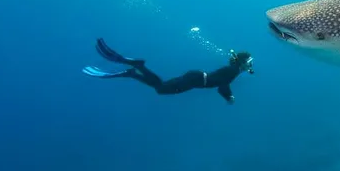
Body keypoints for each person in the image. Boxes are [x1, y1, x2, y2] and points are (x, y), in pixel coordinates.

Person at [82, 38, 254, 104]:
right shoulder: (234, 71)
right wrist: (229, 97)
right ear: (242, 62)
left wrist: (226, 94)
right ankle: (136, 70)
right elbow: (223, 86)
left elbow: (222, 84)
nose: (250, 65)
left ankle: (136, 69)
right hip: (195, 80)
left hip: (195, 77)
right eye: (249, 62)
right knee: (161, 89)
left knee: (161, 87)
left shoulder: (233, 69)